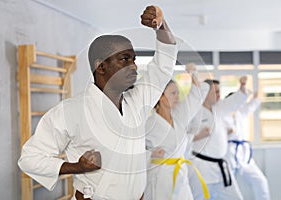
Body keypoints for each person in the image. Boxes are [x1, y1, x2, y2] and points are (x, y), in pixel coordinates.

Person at [18, 5, 177, 200]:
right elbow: (29, 159)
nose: (133, 66)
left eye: (134, 60)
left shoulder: (137, 101)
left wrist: (161, 27)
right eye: (124, 59)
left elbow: (163, 68)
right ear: (101, 67)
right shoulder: (71, 111)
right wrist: (77, 167)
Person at [144, 64, 210, 200]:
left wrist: (193, 74)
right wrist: (151, 154)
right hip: (159, 178)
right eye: (173, 93)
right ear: (161, 97)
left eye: (178, 93)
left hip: (180, 174)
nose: (177, 97)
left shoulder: (179, 115)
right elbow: (132, 150)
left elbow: (195, 96)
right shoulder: (148, 124)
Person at [187, 77, 249, 200]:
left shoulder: (220, 108)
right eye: (215, 92)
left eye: (219, 91)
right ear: (205, 92)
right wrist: (198, 136)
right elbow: (181, 136)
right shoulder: (194, 112)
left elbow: (235, 101)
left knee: (236, 197)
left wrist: (242, 86)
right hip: (201, 167)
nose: (219, 95)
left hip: (221, 167)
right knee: (198, 197)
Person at [224, 91, 271, 200]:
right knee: (228, 188)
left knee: (260, 181)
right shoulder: (222, 115)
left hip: (244, 156)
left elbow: (251, 106)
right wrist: (226, 132)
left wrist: (256, 97)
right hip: (228, 156)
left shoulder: (240, 113)